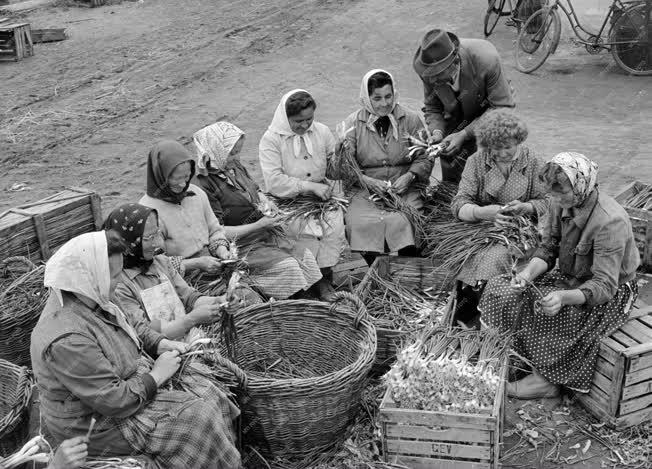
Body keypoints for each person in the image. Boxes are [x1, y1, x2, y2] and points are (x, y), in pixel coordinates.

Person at [30, 231, 242, 468]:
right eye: (112, 275)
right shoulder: (66, 338)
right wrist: (157, 375)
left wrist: (161, 343)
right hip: (97, 425)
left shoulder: (95, 295)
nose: (119, 281)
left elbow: (137, 328)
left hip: (132, 383)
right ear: (85, 277)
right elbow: (113, 400)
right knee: (195, 418)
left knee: (210, 392)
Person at [479, 152, 640, 399]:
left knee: (554, 312)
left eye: (561, 192)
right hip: (570, 276)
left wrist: (562, 297)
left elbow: (604, 286)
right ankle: (514, 354)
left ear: (582, 185)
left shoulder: (610, 222)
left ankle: (546, 381)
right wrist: (527, 275)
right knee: (499, 288)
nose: (554, 198)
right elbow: (548, 247)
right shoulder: (560, 202)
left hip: (605, 292)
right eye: (551, 192)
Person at [193, 121, 323, 299]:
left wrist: (266, 202)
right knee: (288, 267)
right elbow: (218, 232)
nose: (237, 158)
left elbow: (256, 189)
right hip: (241, 245)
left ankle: (312, 299)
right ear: (215, 150)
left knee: (304, 255)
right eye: (232, 153)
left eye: (238, 151)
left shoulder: (232, 166)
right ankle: (293, 305)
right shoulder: (204, 185)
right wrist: (259, 225)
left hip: (265, 232)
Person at [449, 110, 548, 325]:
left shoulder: (533, 163)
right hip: (480, 227)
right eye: (497, 147)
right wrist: (482, 212)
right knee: (472, 257)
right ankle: (467, 313)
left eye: (509, 147)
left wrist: (527, 207)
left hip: (520, 233)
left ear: (519, 141)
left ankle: (488, 315)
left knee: (497, 258)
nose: (503, 153)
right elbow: (458, 203)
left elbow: (548, 201)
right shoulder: (476, 161)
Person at [259, 89, 348, 300]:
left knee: (332, 225)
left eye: (309, 119)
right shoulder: (271, 140)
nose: (305, 125)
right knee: (298, 231)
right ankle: (308, 283)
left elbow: (332, 171)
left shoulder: (322, 132)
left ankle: (325, 277)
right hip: (287, 199)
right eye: (298, 121)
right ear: (285, 117)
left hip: (320, 197)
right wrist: (308, 186)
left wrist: (341, 155)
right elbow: (274, 180)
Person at [339, 69, 432, 265]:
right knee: (362, 222)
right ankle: (377, 267)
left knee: (406, 219)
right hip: (365, 190)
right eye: (377, 98)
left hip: (405, 187)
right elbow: (344, 166)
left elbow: (425, 157)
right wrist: (366, 180)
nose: (385, 104)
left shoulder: (411, 119)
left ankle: (408, 266)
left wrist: (411, 176)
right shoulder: (353, 124)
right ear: (366, 97)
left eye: (388, 96)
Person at [106, 203, 227, 341]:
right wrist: (191, 319)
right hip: (165, 353)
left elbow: (189, 298)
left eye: (157, 234)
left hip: (190, 339)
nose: (157, 244)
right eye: (148, 238)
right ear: (127, 241)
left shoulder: (161, 262)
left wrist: (219, 301)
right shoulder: (120, 284)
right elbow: (146, 331)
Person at [413, 28, 515, 184]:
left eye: (438, 75)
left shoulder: (486, 60)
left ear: (454, 62)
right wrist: (437, 132)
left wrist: (465, 134)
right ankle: (456, 194)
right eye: (430, 76)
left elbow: (502, 108)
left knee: (494, 165)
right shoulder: (428, 72)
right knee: (454, 166)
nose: (432, 81)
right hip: (454, 113)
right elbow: (432, 106)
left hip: (489, 110)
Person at [139, 140, 232, 277]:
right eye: (176, 179)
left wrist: (221, 250)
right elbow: (156, 263)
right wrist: (197, 264)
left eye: (187, 177)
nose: (183, 184)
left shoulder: (196, 193)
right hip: (181, 278)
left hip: (213, 263)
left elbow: (214, 231)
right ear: (160, 176)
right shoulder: (148, 212)